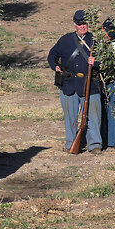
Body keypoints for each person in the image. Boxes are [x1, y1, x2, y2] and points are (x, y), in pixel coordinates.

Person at [48, 10, 103, 154]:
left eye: (84, 23)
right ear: (74, 25)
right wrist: (55, 67)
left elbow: (106, 61)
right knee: (70, 117)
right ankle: (71, 143)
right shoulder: (66, 39)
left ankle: (95, 144)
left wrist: (96, 62)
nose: (82, 26)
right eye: (79, 24)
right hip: (69, 84)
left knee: (93, 117)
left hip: (90, 84)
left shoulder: (95, 40)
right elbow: (52, 54)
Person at [98, 19, 115, 149]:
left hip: (113, 81)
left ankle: (112, 140)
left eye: (104, 31)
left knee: (113, 111)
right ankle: (104, 138)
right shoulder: (101, 44)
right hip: (103, 81)